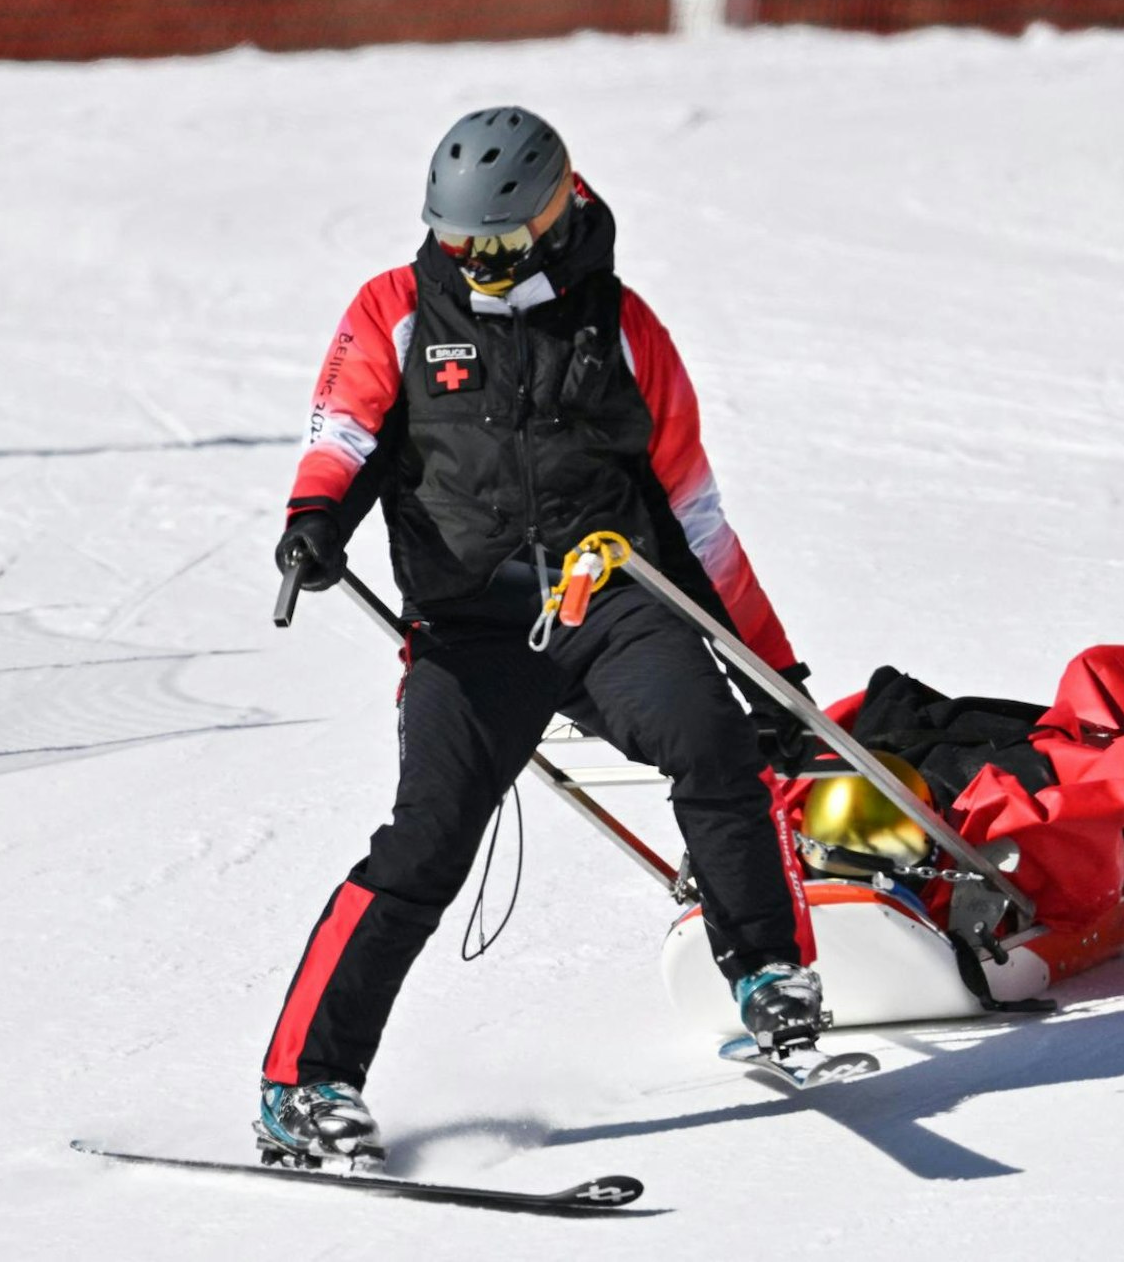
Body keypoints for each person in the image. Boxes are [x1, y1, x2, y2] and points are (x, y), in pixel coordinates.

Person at [257, 107, 822, 1167]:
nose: (475, 262)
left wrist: (771, 674)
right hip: (470, 624)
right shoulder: (396, 309)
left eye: (499, 242)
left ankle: (769, 971)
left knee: (708, 738)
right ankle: (303, 1085)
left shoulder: (621, 327)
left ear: (557, 210)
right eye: (457, 239)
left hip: (606, 598)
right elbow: (343, 436)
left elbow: (692, 515)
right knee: (423, 844)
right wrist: (312, 525)